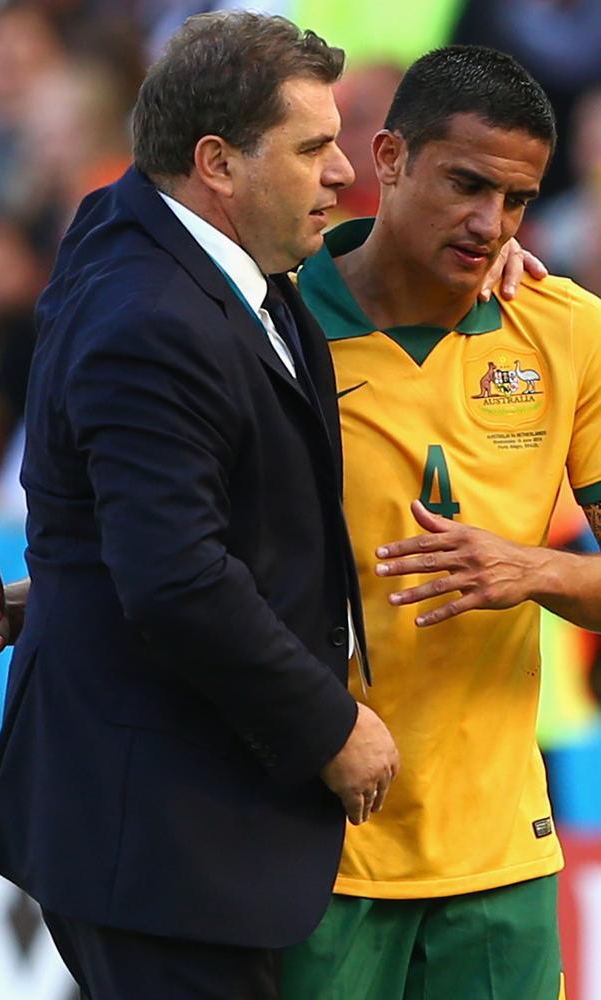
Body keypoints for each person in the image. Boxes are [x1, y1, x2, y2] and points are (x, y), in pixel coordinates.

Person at [0, 34, 555, 1000]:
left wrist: (61, 593)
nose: (344, 168)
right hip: (165, 838)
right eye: (314, 146)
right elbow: (179, 576)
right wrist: (332, 729)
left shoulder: (162, 242)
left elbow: (176, 521)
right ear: (218, 164)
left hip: (222, 829)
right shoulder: (158, 310)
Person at [275, 45, 601, 1000]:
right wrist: (59, 591)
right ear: (387, 156)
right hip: (317, 850)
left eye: (517, 200)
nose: (489, 222)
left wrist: (532, 571)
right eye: (465, 184)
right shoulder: (270, 325)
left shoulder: (567, 330)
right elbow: (199, 554)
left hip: (502, 857)